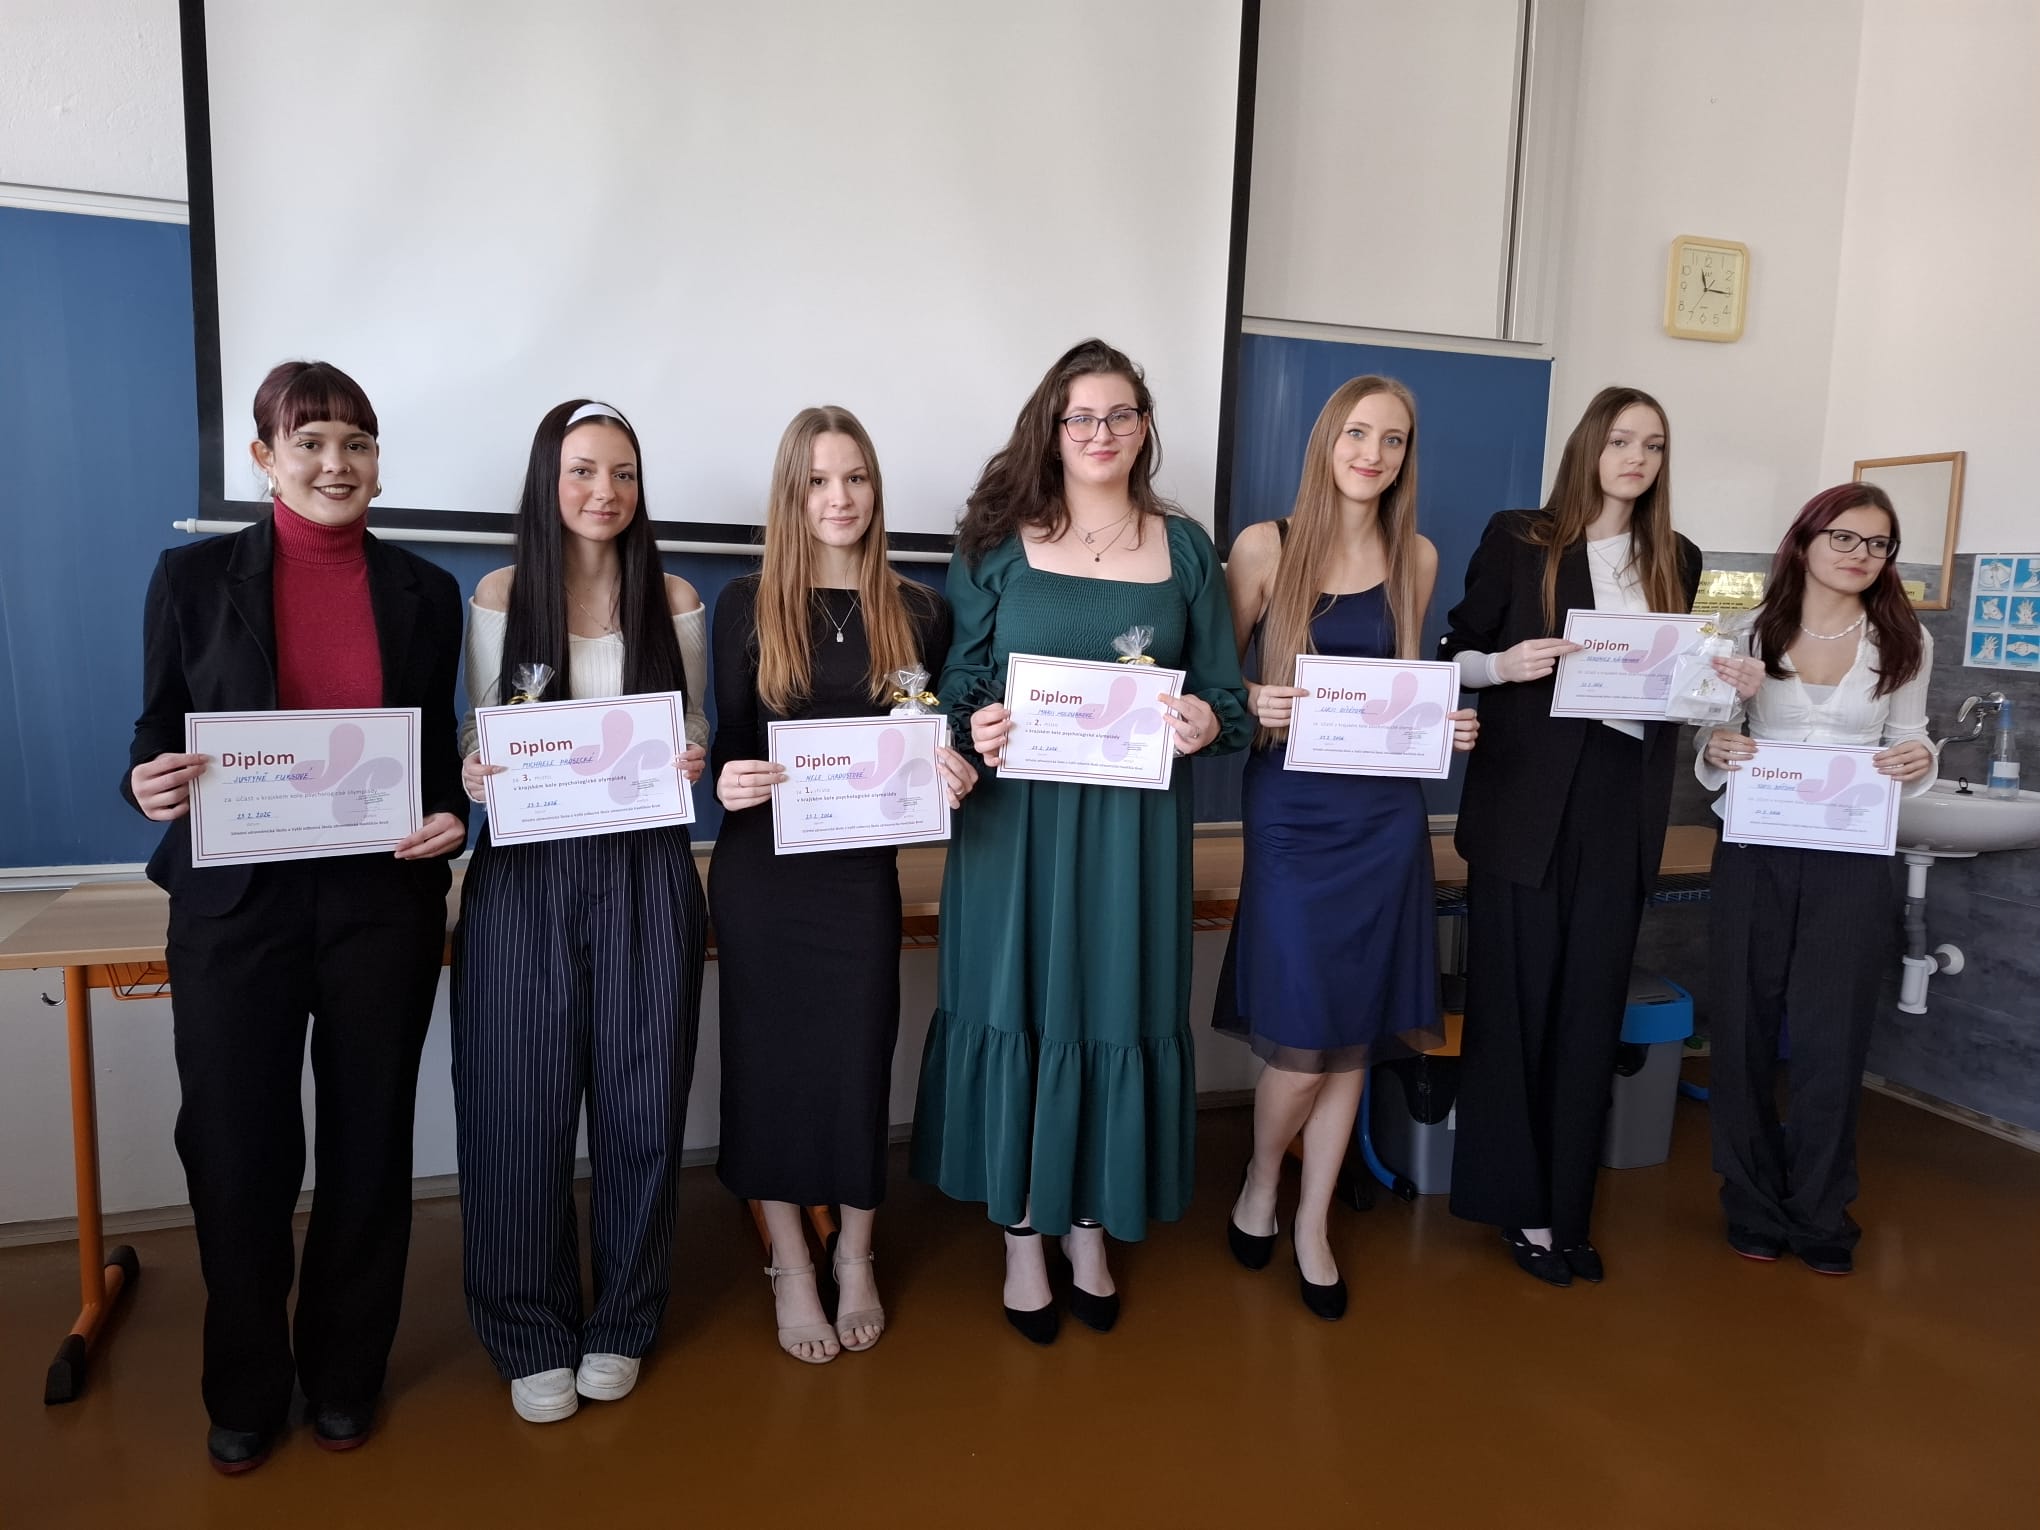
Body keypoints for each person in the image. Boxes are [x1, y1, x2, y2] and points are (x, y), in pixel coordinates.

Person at [124, 360, 467, 1471]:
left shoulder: (425, 591)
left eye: (356, 443)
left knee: (369, 1146)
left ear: (378, 463)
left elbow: (433, 754)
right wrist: (146, 781)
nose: (336, 463)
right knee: (236, 1151)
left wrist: (451, 816)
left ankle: (345, 1375)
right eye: (310, 441)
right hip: (237, 908)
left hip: (380, 903)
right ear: (264, 458)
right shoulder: (190, 577)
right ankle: (245, 1385)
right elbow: (155, 730)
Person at [910, 338, 1250, 1344]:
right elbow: (955, 686)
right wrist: (971, 724)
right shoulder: (994, 541)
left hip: (1134, 833)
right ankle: (1023, 1230)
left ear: (1145, 427)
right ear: (1052, 430)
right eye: (1082, 417)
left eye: (1121, 415)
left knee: (1116, 1003)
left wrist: (1207, 721)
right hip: (1015, 828)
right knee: (1017, 1001)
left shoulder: (1187, 549)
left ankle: (1092, 1221)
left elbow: (1225, 695)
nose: (1102, 433)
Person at [451, 400, 709, 1423]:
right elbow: (476, 737)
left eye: (624, 473)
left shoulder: (675, 598)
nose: (605, 491)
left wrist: (694, 755)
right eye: (583, 470)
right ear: (547, 480)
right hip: (524, 875)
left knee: (645, 1107)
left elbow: (694, 728)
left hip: (648, 870)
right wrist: (474, 772)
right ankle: (527, 1327)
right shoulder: (501, 594)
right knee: (517, 1110)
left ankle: (626, 1319)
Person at [709, 405, 973, 1363]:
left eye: (855, 477)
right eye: (819, 480)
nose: (840, 497)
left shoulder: (922, 611)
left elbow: (932, 742)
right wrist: (725, 782)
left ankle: (855, 1253)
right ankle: (789, 1258)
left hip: (860, 876)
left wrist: (953, 770)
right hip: (763, 873)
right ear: (792, 492)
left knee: (860, 1058)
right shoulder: (745, 604)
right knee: (767, 1064)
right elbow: (728, 748)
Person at [1215, 376, 1476, 1319]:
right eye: (1358, 433)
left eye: (1393, 440)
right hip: (1293, 815)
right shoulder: (1265, 546)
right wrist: (1254, 698)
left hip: (1385, 819)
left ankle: (1313, 1222)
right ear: (1328, 440)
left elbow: (1400, 690)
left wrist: (1444, 725)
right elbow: (1211, 685)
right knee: (1303, 1039)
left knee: (1354, 1030)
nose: (1373, 453)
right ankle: (1261, 1178)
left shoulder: (1417, 556)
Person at [1439, 386, 1704, 1286]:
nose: (1636, 458)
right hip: (1525, 802)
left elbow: (1677, 683)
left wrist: (1720, 683)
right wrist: (1502, 664)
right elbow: (1452, 654)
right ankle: (1515, 1207)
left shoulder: (1677, 557)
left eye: (1653, 445)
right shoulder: (1522, 538)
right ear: (1589, 446)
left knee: (1592, 1010)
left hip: (1621, 802)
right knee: (1514, 1007)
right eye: (1621, 440)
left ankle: (1564, 1207)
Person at [1697, 482, 1934, 1275]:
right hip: (1755, 848)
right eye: (1845, 537)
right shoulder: (1745, 630)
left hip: (1852, 856)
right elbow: (1714, 735)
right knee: (1742, 1025)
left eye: (1878, 544)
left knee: (1834, 1035)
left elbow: (1913, 742)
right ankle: (1752, 1201)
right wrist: (1716, 749)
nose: (1861, 554)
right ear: (1805, 541)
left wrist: (1919, 761)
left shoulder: (1904, 640)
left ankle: (1821, 1208)